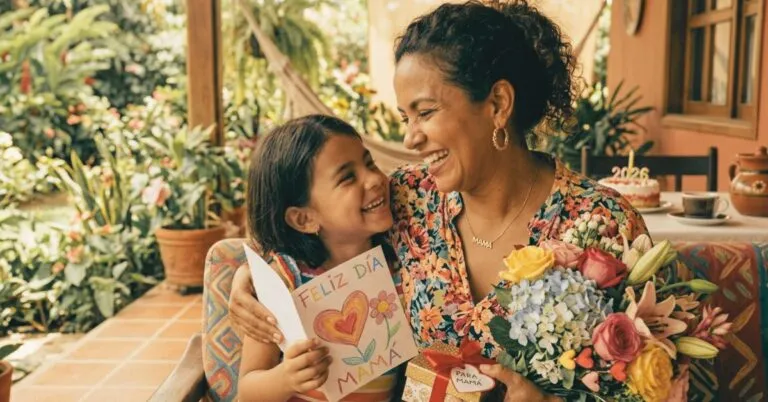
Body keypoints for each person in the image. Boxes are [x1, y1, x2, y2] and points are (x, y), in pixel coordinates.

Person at [229, 1, 648, 400]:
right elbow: (315, 224)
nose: (410, 138)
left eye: (425, 112)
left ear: (498, 105)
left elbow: (663, 384)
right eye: (404, 118)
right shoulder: (409, 201)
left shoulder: (602, 223)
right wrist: (245, 280)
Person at [237, 115, 400, 401]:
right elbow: (248, 390)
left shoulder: (400, 261)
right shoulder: (284, 282)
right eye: (348, 177)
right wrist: (286, 379)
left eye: (369, 162)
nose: (374, 179)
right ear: (304, 219)